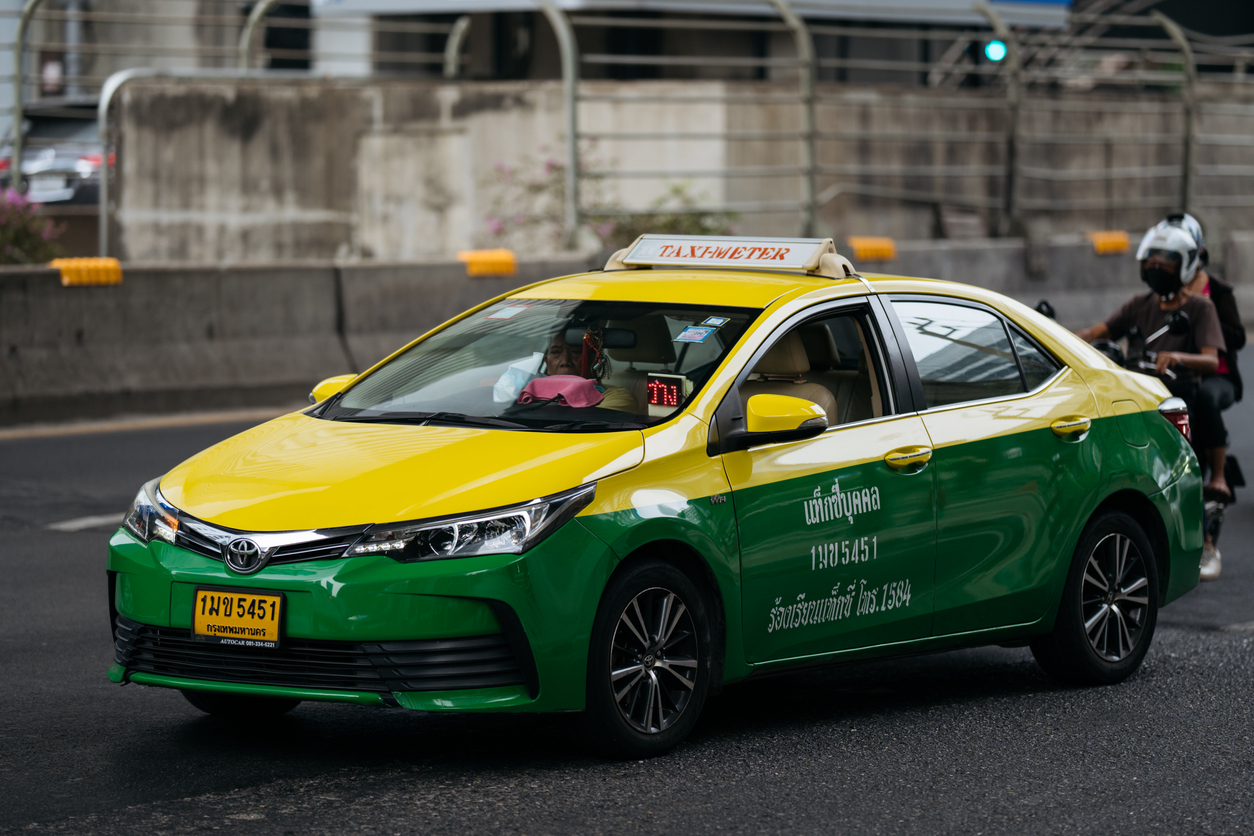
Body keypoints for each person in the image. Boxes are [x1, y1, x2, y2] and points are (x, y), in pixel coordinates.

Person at [1074, 215, 1226, 580]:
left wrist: (1178, 357)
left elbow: (1211, 359)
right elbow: (1097, 332)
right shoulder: (1139, 305)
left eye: (1166, 263)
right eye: (1152, 262)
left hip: (1177, 393)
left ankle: (1206, 539)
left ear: (1184, 266)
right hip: (1136, 395)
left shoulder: (1200, 308)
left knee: (1183, 463)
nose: (1157, 268)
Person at [530, 326, 640, 413]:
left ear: (593, 360)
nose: (565, 361)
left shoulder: (618, 397)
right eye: (556, 352)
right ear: (547, 362)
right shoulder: (530, 394)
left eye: (576, 352)